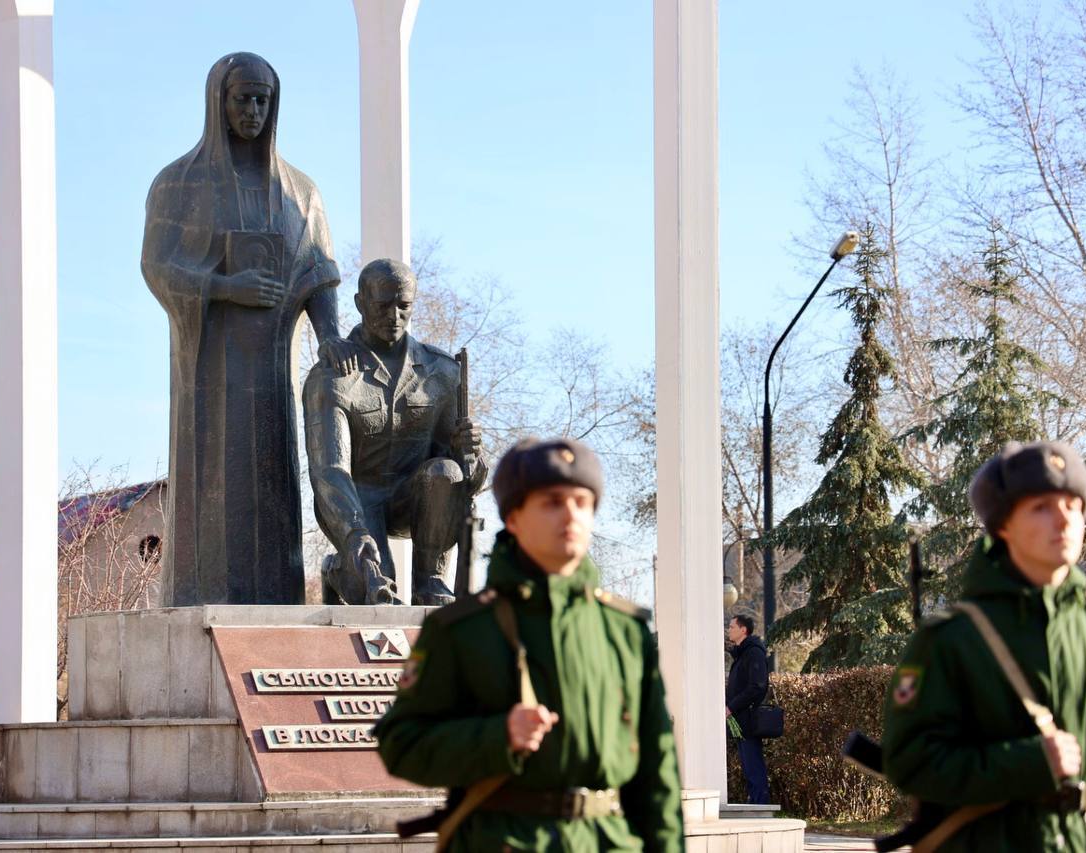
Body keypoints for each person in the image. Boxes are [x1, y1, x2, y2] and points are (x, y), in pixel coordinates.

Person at [373, 437, 685, 851]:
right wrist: (497, 737)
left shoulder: (625, 631)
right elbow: (402, 745)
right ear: (514, 518)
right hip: (501, 840)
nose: (570, 515)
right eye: (552, 502)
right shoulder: (460, 629)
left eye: (582, 502)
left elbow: (657, 772)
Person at [141, 52, 357, 605]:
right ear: (219, 101)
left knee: (273, 481)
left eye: (264, 100)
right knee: (213, 476)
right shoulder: (178, 183)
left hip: (274, 371)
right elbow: (158, 265)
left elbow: (320, 273)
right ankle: (200, 592)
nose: (253, 111)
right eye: (243, 98)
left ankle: (278, 599)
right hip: (207, 368)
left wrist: (330, 336)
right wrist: (223, 287)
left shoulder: (301, 192)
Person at [881, 441, 1086, 852]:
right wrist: (1025, 764)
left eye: (1073, 506)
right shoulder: (951, 638)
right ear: (1002, 526)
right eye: (1041, 507)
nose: (1064, 519)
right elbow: (911, 762)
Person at [303, 258, 485, 606]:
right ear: (360, 303)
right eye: (383, 305)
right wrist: (354, 532)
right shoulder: (331, 377)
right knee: (376, 591)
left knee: (446, 471)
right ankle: (337, 570)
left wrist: (469, 454)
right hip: (357, 497)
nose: (394, 316)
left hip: (410, 495)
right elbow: (329, 472)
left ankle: (430, 580)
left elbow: (466, 475)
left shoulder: (442, 372)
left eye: (404, 306)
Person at [725, 614, 770, 805]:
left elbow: (757, 686)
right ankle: (755, 802)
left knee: (753, 761)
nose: (729, 630)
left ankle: (760, 804)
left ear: (743, 630)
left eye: (732, 627)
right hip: (739, 718)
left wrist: (731, 706)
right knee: (747, 763)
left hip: (748, 718)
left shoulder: (753, 653)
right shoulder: (742, 654)